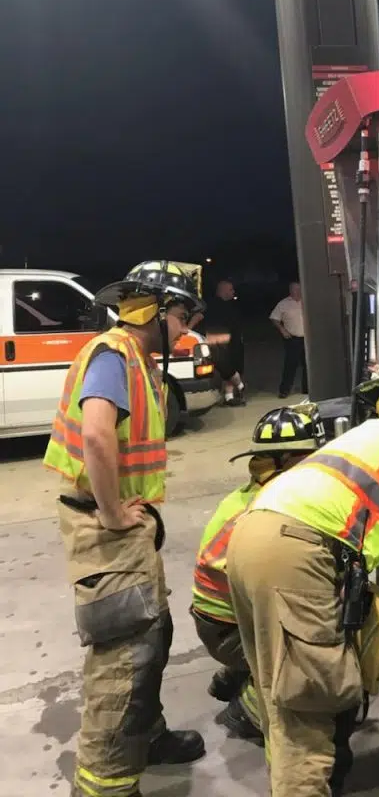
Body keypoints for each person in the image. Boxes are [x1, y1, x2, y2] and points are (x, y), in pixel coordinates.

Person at [227, 365, 379, 797]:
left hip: (252, 537)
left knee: (279, 699)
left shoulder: (359, 438)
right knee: (309, 711)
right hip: (294, 550)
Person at [43, 260, 207, 797]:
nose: (185, 329)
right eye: (181, 317)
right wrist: (113, 513)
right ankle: (105, 784)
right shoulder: (114, 356)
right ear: (153, 312)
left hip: (127, 526)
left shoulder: (136, 360)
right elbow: (96, 436)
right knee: (123, 660)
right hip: (105, 527)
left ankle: (146, 736)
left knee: (152, 635)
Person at [190, 403, 325, 741]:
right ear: (286, 461)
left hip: (218, 622)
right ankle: (249, 708)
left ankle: (237, 673)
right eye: (310, 458)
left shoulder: (248, 494)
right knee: (314, 649)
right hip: (230, 631)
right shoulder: (273, 508)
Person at [204, 278, 246, 405]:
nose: (233, 292)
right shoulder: (213, 306)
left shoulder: (232, 305)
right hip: (220, 341)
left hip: (234, 340)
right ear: (223, 291)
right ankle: (240, 385)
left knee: (234, 365)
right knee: (227, 367)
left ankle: (229, 396)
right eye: (231, 289)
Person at [270, 281, 307, 397]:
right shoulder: (283, 304)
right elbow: (274, 318)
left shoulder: (306, 301)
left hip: (307, 339)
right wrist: (282, 330)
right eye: (295, 289)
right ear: (290, 290)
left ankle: (307, 389)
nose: (298, 291)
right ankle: (284, 390)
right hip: (292, 339)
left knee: (308, 365)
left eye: (299, 289)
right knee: (290, 365)